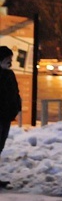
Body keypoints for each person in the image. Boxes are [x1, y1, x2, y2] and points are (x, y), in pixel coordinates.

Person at [0, 45, 21, 189]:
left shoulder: (9, 74)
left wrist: (16, 108)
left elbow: (15, 93)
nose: (10, 62)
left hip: (6, 116)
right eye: (7, 59)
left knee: (0, 146)